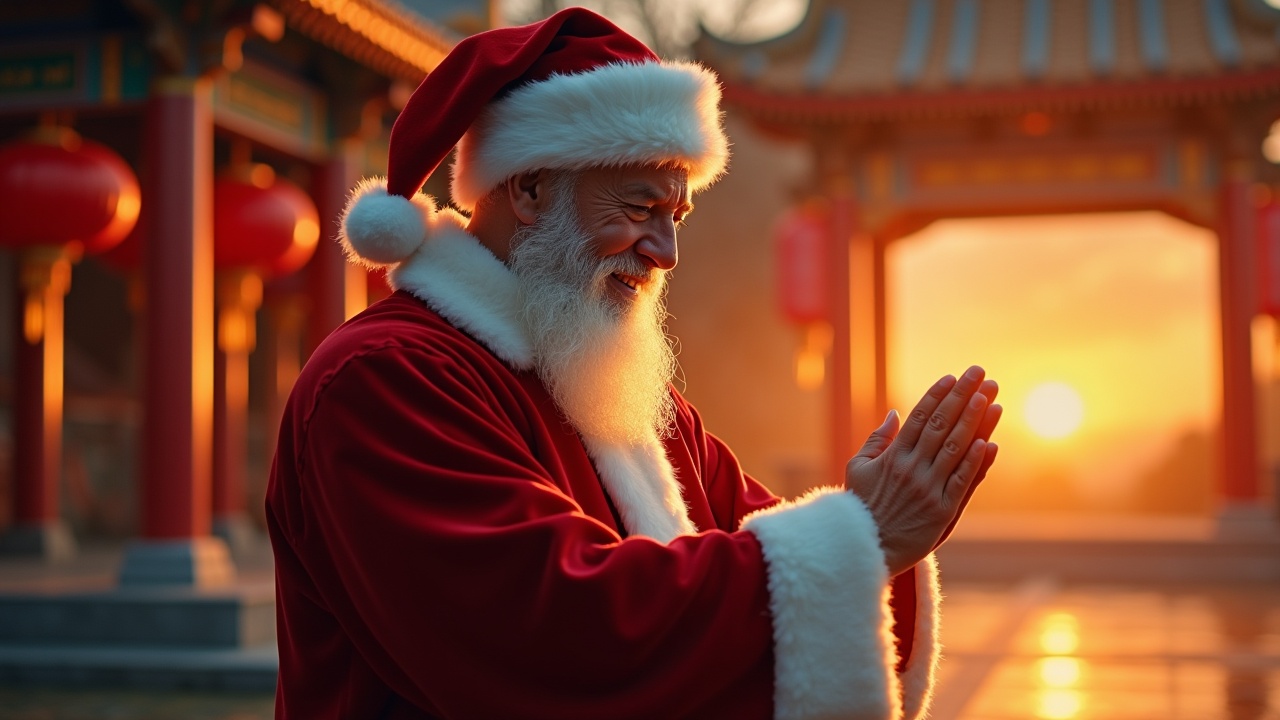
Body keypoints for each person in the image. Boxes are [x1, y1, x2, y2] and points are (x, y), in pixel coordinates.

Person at [266, 7, 1002, 719]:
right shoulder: (384, 378)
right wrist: (863, 536)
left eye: (674, 217)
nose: (665, 252)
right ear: (528, 189)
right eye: (639, 206)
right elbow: (551, 631)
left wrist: (876, 539)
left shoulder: (616, 388)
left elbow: (750, 538)